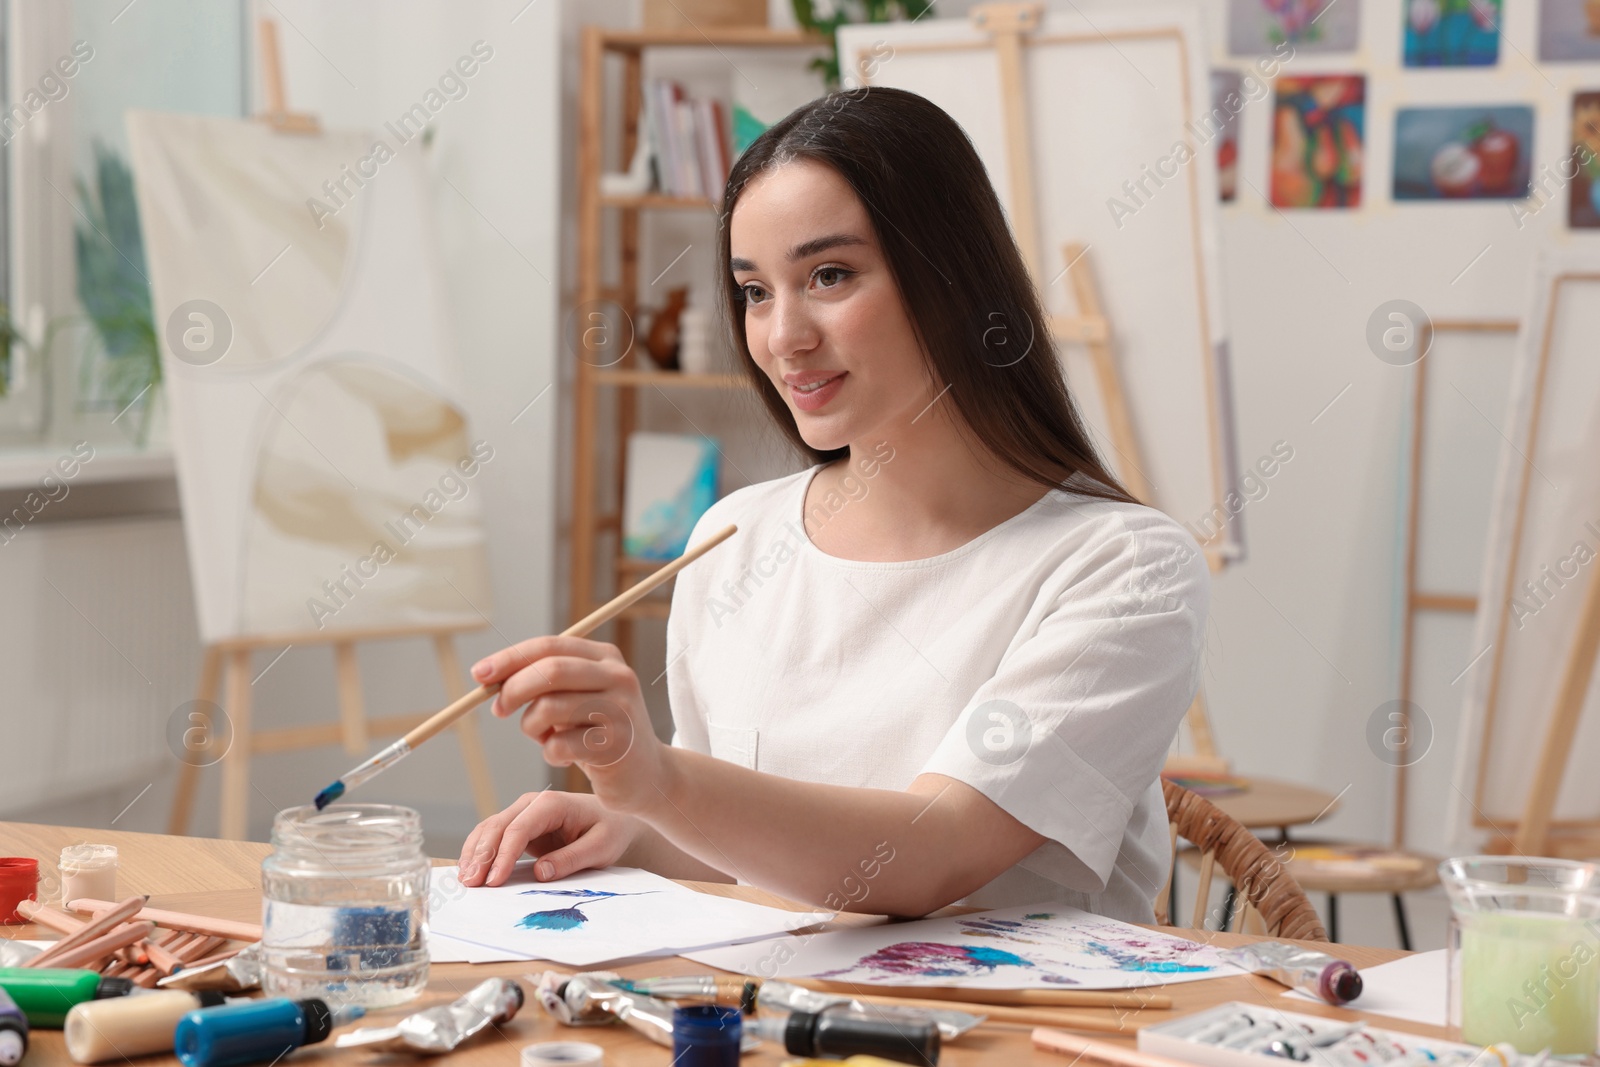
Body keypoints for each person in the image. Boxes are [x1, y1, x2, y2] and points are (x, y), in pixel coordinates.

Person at [457, 87, 1208, 923]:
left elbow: (933, 854)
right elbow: (743, 847)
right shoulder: (734, 539)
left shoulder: (1124, 567)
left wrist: (661, 783)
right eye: (755, 291)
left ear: (952, 278)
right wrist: (626, 828)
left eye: (829, 275)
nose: (784, 336)